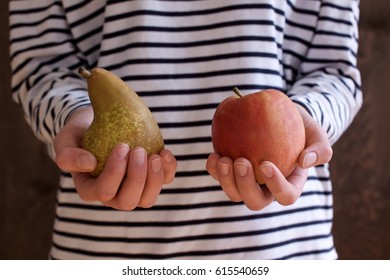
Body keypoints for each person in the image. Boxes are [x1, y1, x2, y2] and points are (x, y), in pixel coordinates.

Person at [9, 0, 362, 259]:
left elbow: (335, 70)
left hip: (281, 246)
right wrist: (75, 115)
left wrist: (302, 123)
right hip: (102, 247)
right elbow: (41, 67)